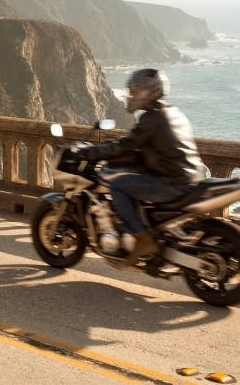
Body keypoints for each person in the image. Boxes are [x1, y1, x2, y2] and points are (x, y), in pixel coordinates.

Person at [79, 68, 205, 267]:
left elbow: (127, 145)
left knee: (118, 186)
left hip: (171, 182)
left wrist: (92, 152)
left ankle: (141, 237)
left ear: (148, 92)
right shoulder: (171, 111)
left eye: (135, 91)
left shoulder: (152, 118)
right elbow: (150, 146)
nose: (131, 96)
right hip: (191, 177)